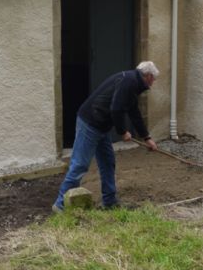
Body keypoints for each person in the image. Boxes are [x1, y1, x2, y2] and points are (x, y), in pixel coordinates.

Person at [53, 61, 159, 213]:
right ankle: (60, 205)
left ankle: (109, 201)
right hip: (90, 122)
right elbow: (116, 109)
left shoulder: (132, 83)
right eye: (153, 79)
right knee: (80, 164)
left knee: (108, 162)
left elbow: (134, 113)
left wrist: (147, 137)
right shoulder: (129, 81)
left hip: (102, 126)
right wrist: (122, 132)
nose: (153, 83)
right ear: (148, 76)